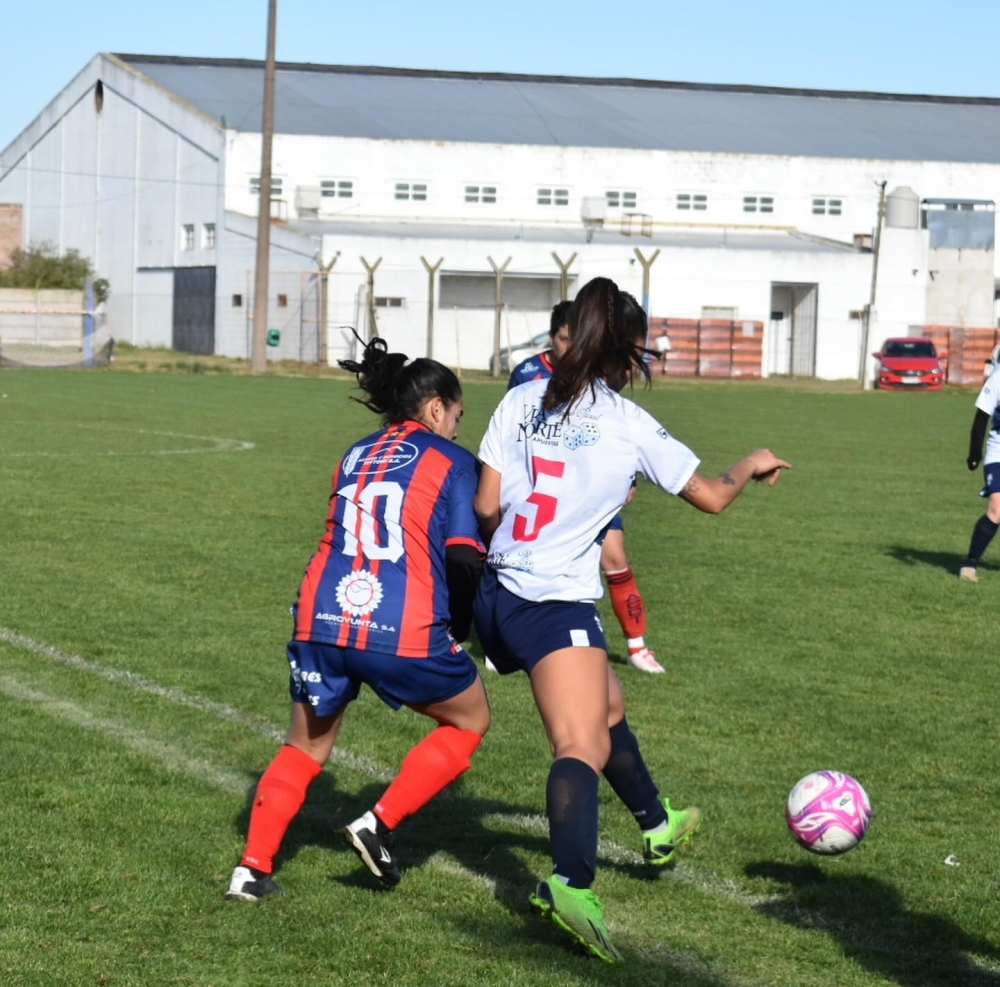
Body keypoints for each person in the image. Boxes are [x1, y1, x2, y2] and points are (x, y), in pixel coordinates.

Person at [473, 277, 789, 962]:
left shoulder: (521, 399)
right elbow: (710, 496)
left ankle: (657, 823)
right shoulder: (625, 422)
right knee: (579, 743)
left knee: (606, 703)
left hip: (496, 596)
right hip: (550, 602)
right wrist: (751, 462)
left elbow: (487, 506)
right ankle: (570, 884)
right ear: (624, 353)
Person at [226, 336, 490, 900]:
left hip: (320, 609)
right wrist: (463, 627)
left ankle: (249, 871)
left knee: (304, 746)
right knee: (470, 720)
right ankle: (378, 822)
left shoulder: (353, 453)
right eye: (457, 415)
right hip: (403, 620)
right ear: (437, 406)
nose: (458, 429)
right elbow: (465, 552)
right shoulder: (454, 461)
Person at [508, 299, 664, 674]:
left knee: (615, 557)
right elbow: (516, 432)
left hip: (591, 486)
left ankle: (638, 646)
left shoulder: (600, 376)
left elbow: (618, 432)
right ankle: (513, 642)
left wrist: (628, 477)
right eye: (563, 339)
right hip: (545, 488)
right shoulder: (526, 374)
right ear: (552, 337)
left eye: (575, 340)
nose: (569, 348)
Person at [960, 360, 1000, 581]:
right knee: (997, 509)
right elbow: (981, 417)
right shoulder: (998, 379)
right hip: (998, 454)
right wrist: (975, 452)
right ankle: (970, 565)